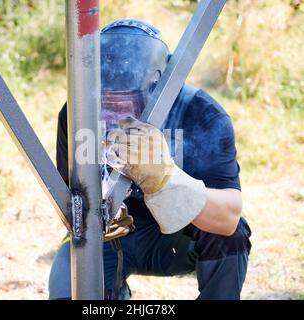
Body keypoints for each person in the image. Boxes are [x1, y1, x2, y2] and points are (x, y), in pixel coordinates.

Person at [49, 19, 252, 300]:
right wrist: (94, 210)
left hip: (175, 238)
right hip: (108, 239)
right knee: (66, 290)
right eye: (104, 104)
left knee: (230, 238)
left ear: (155, 90)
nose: (112, 120)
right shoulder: (76, 113)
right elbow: (69, 199)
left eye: (124, 105)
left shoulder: (201, 114)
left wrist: (165, 180)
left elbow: (229, 218)